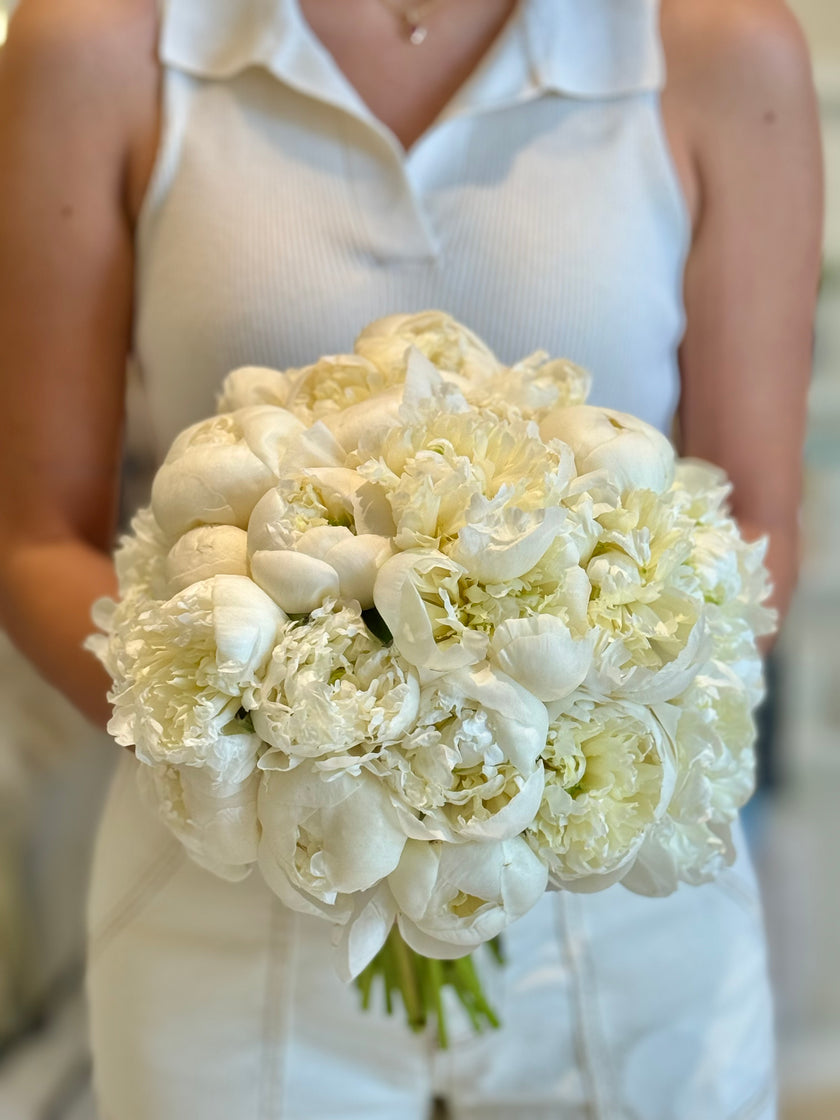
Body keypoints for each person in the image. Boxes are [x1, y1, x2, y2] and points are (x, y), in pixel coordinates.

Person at [0, 0, 823, 1116]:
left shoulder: (717, 48)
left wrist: (522, 766)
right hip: (225, 895)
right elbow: (34, 537)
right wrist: (293, 745)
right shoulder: (94, 42)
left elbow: (756, 519)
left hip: (613, 890)